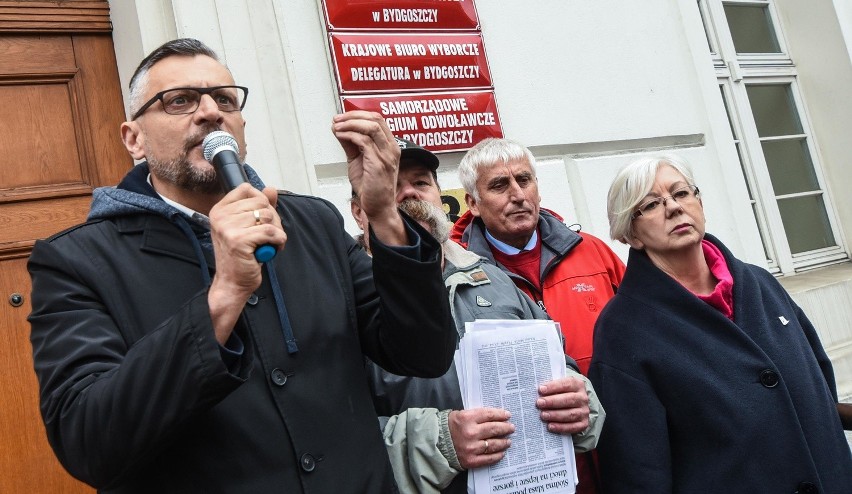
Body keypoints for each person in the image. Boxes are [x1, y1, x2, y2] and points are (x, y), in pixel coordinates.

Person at [26, 38, 456, 493]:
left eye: (225, 99)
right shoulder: (76, 261)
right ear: (133, 138)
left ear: (241, 126)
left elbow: (423, 355)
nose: (211, 111)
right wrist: (223, 295)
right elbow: (88, 443)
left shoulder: (312, 223)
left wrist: (385, 214)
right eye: (180, 101)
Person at [350, 138, 605, 493]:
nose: (410, 194)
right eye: (392, 185)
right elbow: (333, 438)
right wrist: (439, 441)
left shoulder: (492, 277)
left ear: (441, 198)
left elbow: (561, 366)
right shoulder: (346, 298)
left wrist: (579, 403)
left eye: (421, 183)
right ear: (360, 210)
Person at [589, 154, 852, 493]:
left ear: (698, 201)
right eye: (651, 204)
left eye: (681, 193)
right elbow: (638, 471)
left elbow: (819, 386)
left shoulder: (759, 282)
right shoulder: (623, 329)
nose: (673, 207)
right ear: (631, 235)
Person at [450, 137, 624, 494]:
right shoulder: (458, 277)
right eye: (499, 185)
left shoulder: (592, 253)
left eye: (525, 180)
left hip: (619, 452)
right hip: (529, 472)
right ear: (473, 203)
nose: (517, 194)